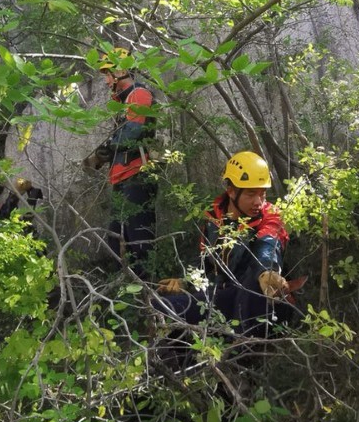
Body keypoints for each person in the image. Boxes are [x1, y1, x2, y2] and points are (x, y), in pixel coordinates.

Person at [156, 151, 297, 338]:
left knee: (252, 286)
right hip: (221, 296)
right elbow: (203, 260)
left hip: (255, 300)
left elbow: (268, 245)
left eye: (262, 194)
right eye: (251, 194)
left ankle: (239, 355)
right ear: (231, 191)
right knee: (161, 306)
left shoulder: (271, 216)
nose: (258, 202)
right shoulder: (213, 218)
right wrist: (185, 281)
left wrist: (266, 271)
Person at [83, 49, 157, 275]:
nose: (107, 81)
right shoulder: (124, 103)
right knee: (117, 240)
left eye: (109, 74)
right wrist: (102, 154)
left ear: (122, 70)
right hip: (122, 179)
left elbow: (132, 133)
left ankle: (146, 294)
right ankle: (124, 289)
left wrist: (106, 149)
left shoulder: (139, 94)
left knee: (139, 239)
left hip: (137, 176)